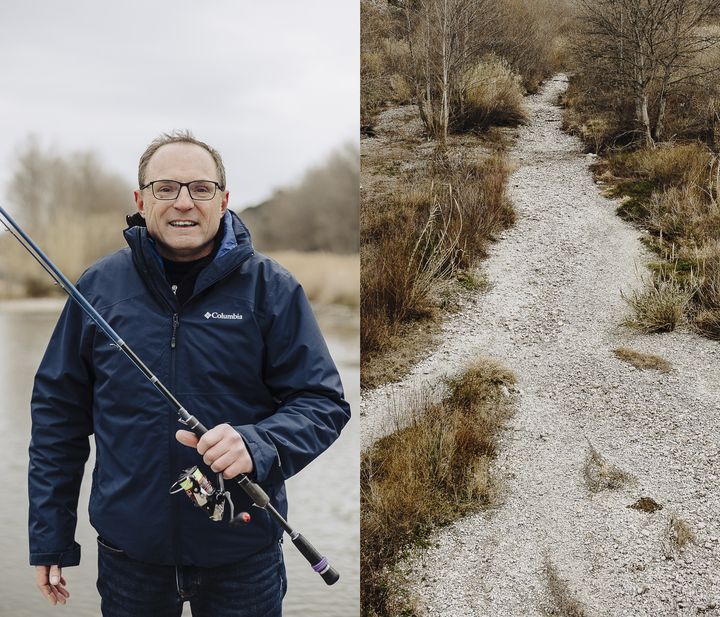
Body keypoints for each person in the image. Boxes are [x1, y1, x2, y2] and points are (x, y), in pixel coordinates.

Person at [28, 130, 351, 616]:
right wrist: (51, 535)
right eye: (166, 188)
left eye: (201, 188)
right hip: (129, 556)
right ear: (141, 199)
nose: (184, 202)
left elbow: (323, 403)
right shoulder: (96, 288)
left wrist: (258, 443)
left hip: (243, 555)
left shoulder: (272, 289)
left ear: (224, 200)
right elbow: (58, 417)